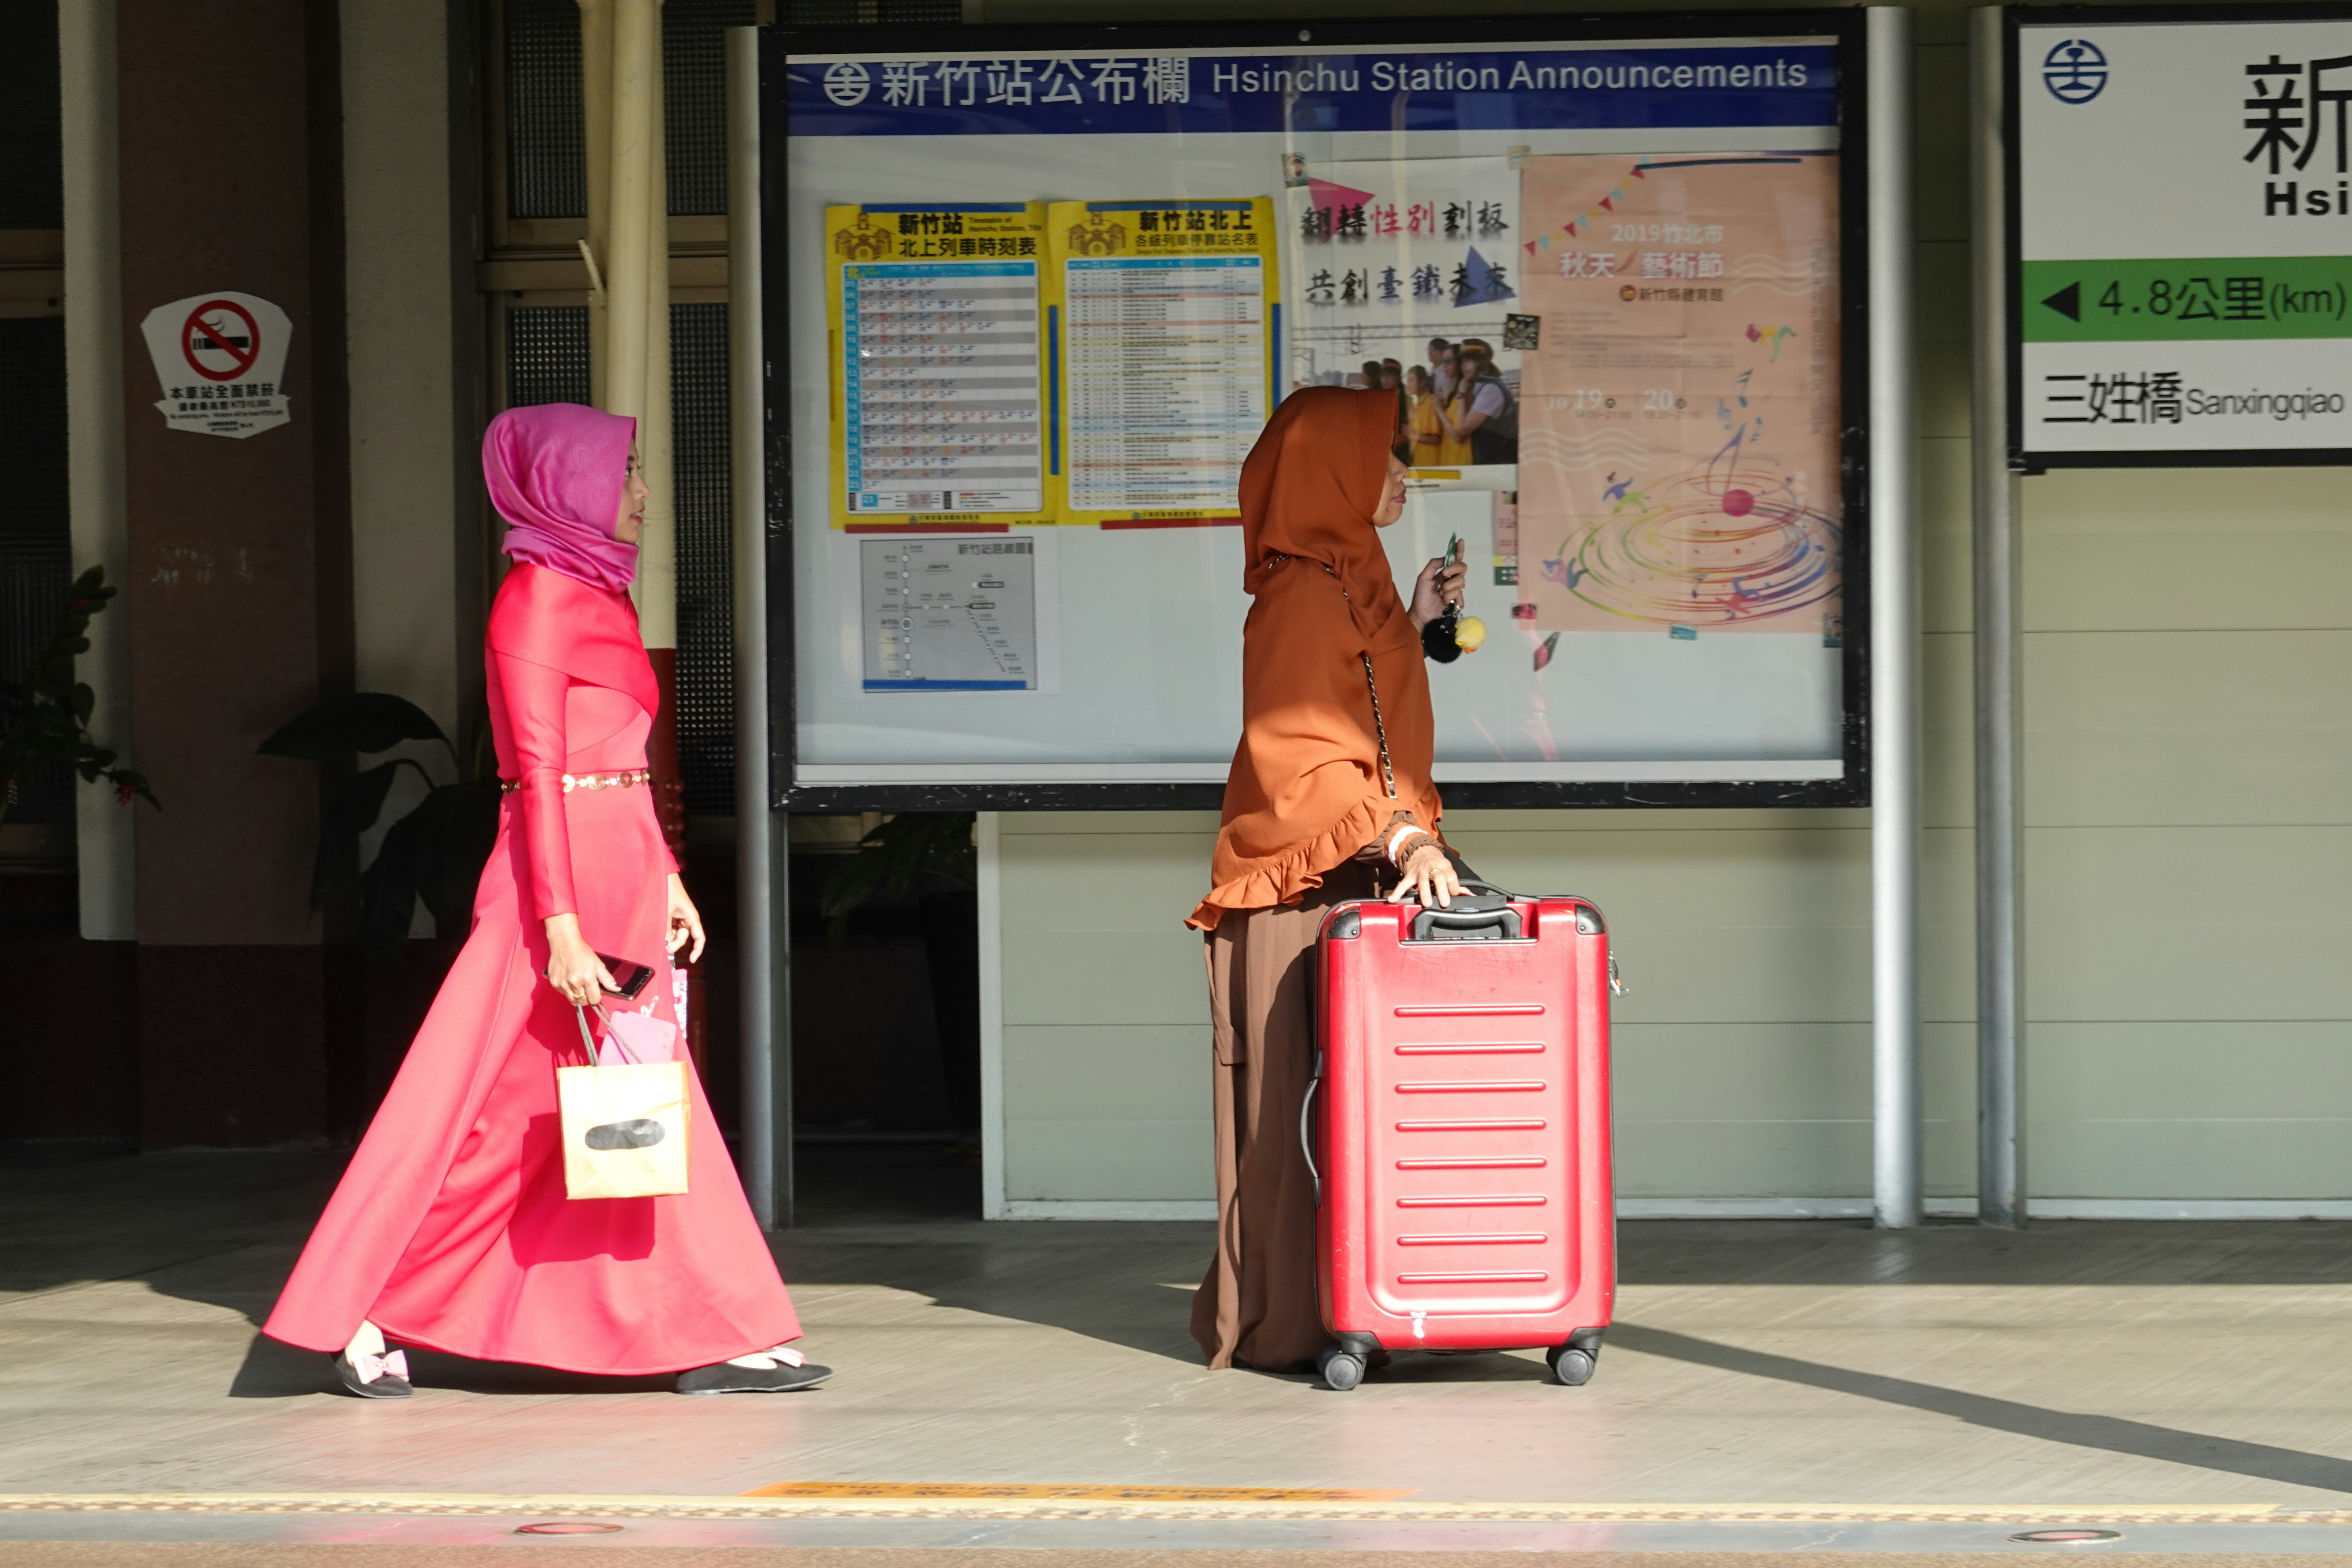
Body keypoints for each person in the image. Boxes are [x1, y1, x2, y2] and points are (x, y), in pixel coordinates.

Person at [262, 404, 827, 1400]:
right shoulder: (532, 603)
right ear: (567, 485)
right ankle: (368, 1310)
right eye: (626, 472)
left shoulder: (602, 595)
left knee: (639, 1100)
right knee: (510, 1119)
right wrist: (562, 928)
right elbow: (536, 777)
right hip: (550, 894)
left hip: (618, 875)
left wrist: (665, 874)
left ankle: (718, 1326)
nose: (642, 490)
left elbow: (623, 767)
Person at [1186, 387, 1467, 1374]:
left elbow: (1368, 710)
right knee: (1306, 1127)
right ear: (1332, 473)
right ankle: (1298, 1321)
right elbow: (1309, 757)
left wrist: (1414, 622)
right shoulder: (1304, 597)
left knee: (1349, 1119)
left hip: (1353, 885)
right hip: (1304, 900)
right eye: (1384, 458)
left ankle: (1358, 1306)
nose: (1402, 476)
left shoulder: (1349, 578)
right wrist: (1403, 838)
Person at [1450, 340, 1517, 466]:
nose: (1464, 367)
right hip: (1493, 463)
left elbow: (1463, 428)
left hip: (1498, 464)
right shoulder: (1485, 386)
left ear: (1482, 362)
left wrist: (1461, 394)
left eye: (1469, 360)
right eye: (1463, 362)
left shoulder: (1491, 390)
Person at [1434, 346, 1475, 467]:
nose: (1444, 366)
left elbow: (1458, 436)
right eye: (1443, 362)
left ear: (1459, 363)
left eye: (1448, 362)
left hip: (1461, 462)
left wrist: (1439, 409)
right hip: (1449, 459)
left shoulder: (1465, 393)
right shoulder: (1454, 394)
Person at [1403, 364, 1443, 467]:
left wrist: (1414, 436)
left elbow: (1436, 439)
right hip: (1419, 464)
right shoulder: (1417, 406)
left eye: (1412, 381)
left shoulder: (1431, 402)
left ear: (1422, 382)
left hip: (1432, 464)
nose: (1409, 385)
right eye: (1408, 381)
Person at [1425, 337, 1455, 402]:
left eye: (1432, 350)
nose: (1429, 353)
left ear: (1442, 352)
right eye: (1428, 350)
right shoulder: (1431, 372)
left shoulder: (1447, 373)